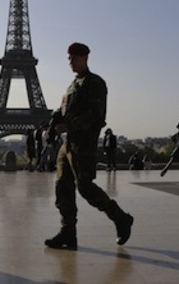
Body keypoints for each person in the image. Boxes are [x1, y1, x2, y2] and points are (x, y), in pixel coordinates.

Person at [44, 42, 133, 251]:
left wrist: (68, 125)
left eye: (74, 58)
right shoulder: (73, 85)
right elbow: (65, 109)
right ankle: (68, 232)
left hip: (83, 144)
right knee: (62, 188)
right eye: (68, 58)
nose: (70, 62)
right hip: (69, 145)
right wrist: (54, 121)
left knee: (85, 188)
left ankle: (120, 218)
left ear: (85, 58)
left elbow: (96, 115)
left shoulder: (95, 83)